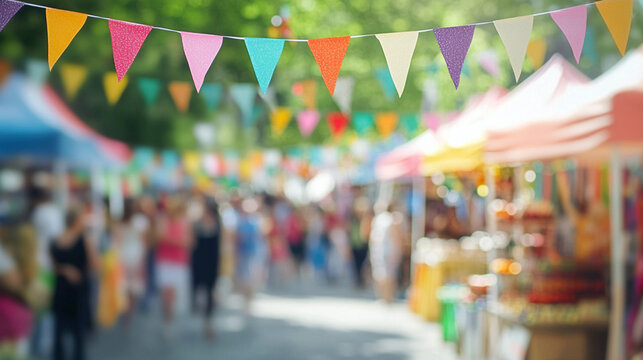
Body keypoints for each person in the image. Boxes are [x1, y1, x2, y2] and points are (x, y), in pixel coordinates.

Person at [50, 204, 99, 360]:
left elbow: (53, 266)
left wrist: (64, 270)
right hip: (77, 290)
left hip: (61, 289)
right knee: (78, 333)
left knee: (59, 330)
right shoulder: (85, 240)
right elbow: (94, 265)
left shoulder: (56, 240)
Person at [30, 189, 63, 358]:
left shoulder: (40, 213)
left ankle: (39, 343)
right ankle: (44, 343)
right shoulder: (53, 213)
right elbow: (55, 240)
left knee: (40, 307)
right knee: (46, 307)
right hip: (47, 265)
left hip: (39, 265)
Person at [156, 197, 192, 339]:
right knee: (166, 295)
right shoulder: (164, 221)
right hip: (165, 261)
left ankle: (169, 321)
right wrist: (177, 241)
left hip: (178, 262)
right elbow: (160, 238)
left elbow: (188, 242)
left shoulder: (185, 223)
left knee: (172, 295)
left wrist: (171, 240)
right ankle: (167, 320)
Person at [190, 198, 221, 339]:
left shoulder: (218, 224)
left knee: (210, 291)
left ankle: (208, 321)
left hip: (212, 262)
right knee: (197, 289)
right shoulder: (196, 223)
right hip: (198, 262)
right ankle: (199, 312)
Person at [118, 198, 148, 325]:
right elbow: (143, 242)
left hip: (123, 254)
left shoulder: (120, 222)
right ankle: (129, 309)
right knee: (133, 284)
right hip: (135, 254)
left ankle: (125, 309)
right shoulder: (141, 221)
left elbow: (117, 241)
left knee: (124, 284)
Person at [234, 197, 264, 318]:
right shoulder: (240, 222)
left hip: (252, 253)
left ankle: (249, 300)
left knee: (250, 278)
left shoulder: (255, 222)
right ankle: (245, 300)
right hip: (243, 253)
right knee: (244, 278)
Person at [369, 202, 401, 304]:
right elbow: (396, 236)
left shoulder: (378, 219)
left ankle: (384, 297)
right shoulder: (390, 219)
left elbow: (372, 236)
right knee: (388, 275)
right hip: (388, 250)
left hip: (379, 250)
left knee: (381, 275)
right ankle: (388, 297)